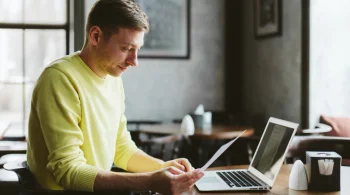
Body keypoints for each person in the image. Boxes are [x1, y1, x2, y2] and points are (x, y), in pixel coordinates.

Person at [26, 0, 204, 194]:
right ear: (96, 36)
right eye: (126, 48)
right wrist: (150, 181)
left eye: (137, 50)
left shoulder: (112, 78)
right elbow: (68, 171)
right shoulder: (60, 78)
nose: (134, 61)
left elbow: (121, 148)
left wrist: (164, 168)